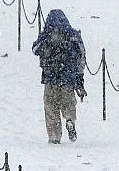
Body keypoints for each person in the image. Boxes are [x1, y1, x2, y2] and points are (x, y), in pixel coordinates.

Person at [31, 9, 87, 144]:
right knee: (68, 103)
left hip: (50, 78)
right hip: (68, 78)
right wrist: (79, 78)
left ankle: (54, 136)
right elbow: (81, 57)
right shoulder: (72, 35)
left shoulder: (46, 35)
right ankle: (69, 119)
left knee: (51, 107)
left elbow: (35, 50)